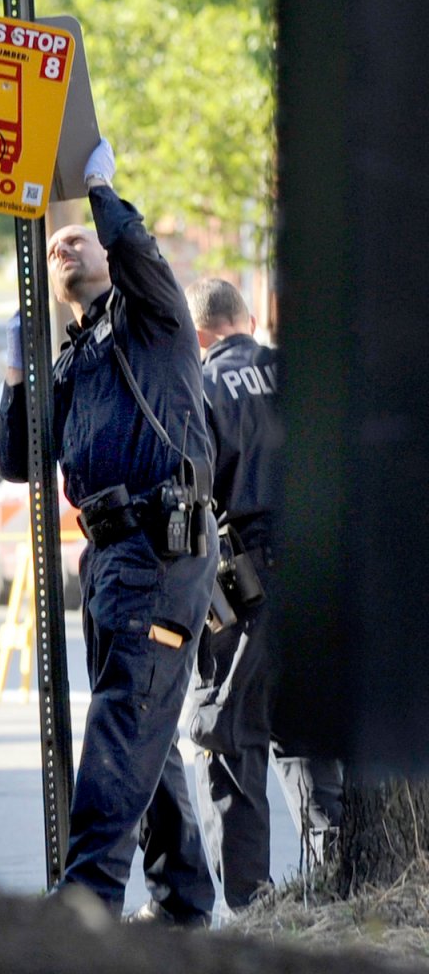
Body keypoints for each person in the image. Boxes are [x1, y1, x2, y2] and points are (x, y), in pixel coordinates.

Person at [0, 138, 219, 927]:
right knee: (143, 728)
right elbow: (19, 457)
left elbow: (132, 243)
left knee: (123, 724)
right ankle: (185, 906)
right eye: (53, 247)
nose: (64, 242)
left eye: (76, 236)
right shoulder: (75, 354)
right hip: (113, 559)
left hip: (161, 543)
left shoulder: (152, 314)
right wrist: (20, 372)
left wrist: (98, 188)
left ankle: (83, 906)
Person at [184, 277, 343, 921]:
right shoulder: (299, 374)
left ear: (198, 334)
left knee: (228, 737)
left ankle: (255, 909)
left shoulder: (198, 385)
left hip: (241, 580)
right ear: (248, 320)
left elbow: (188, 488)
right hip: (318, 575)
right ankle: (339, 880)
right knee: (307, 734)